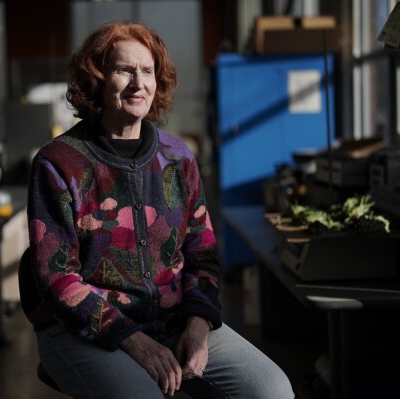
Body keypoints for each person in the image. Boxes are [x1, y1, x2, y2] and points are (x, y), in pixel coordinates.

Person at [25, 21, 294, 399]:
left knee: (272, 390)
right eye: (124, 70)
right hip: (81, 328)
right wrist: (134, 341)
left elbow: (203, 256)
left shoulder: (178, 157)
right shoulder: (59, 164)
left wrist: (198, 326)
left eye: (147, 71)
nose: (139, 83)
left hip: (175, 320)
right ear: (97, 80)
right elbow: (56, 278)